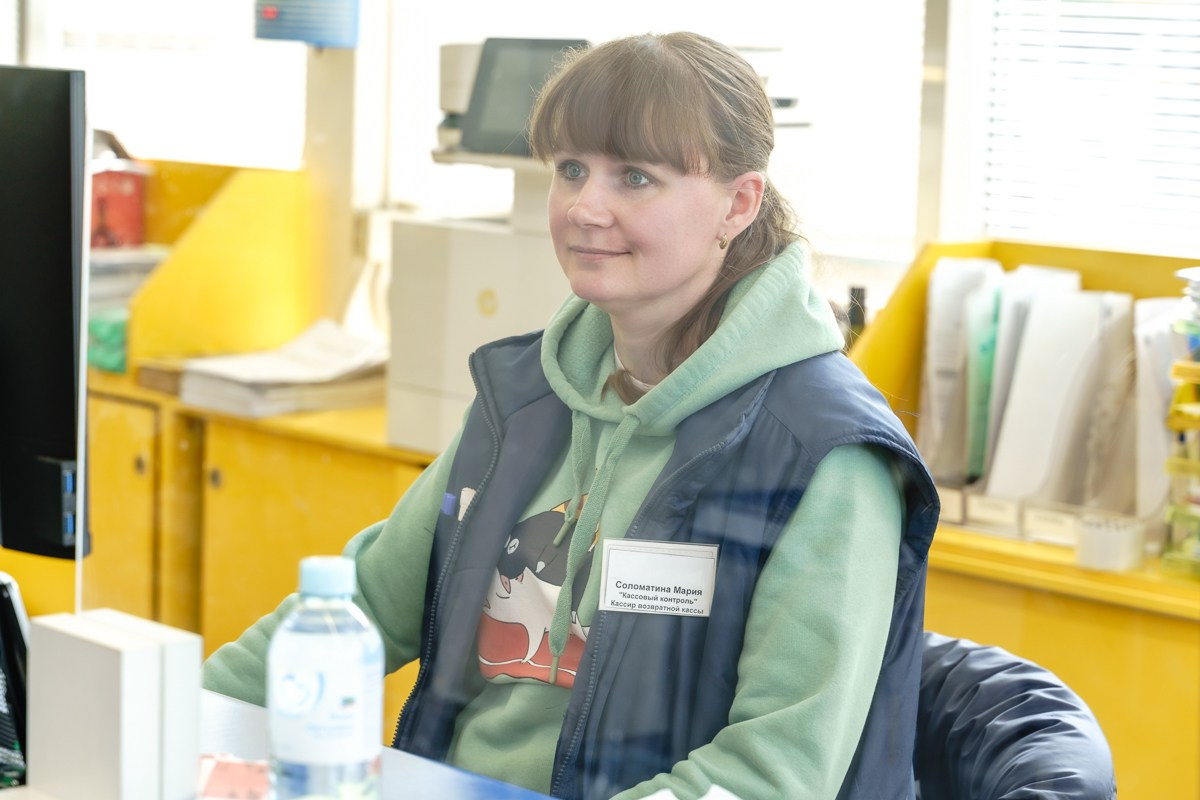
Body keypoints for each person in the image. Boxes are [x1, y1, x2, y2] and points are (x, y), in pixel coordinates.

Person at [203, 31, 939, 800]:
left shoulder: (825, 454)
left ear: (739, 202)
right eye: (572, 170)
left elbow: (771, 774)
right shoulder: (527, 398)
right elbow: (360, 603)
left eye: (636, 178)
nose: (586, 208)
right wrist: (184, 720)